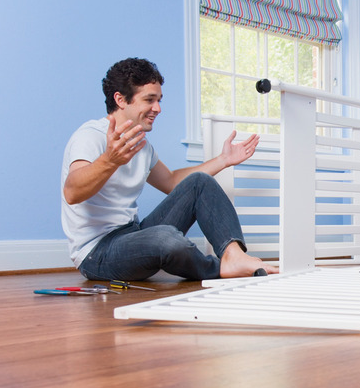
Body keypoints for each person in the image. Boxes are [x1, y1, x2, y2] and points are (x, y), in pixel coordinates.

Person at [61, 58, 278, 281]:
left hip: (132, 236)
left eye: (159, 100)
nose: (158, 108)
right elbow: (72, 192)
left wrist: (223, 160)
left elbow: (172, 181)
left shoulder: (142, 146)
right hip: (97, 254)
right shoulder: (90, 136)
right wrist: (109, 160)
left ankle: (234, 256)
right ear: (120, 99)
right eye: (149, 100)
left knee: (199, 182)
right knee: (166, 238)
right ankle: (218, 268)